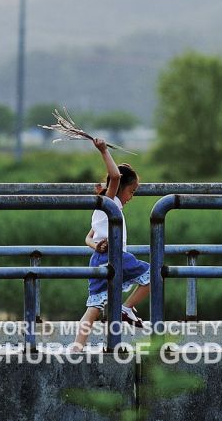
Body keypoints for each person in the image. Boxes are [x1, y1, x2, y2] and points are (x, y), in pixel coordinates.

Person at [72, 138, 149, 351]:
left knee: (94, 306)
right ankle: (126, 308)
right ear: (120, 188)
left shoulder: (103, 207)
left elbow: (88, 237)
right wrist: (104, 150)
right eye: (131, 192)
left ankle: (78, 346)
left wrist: (95, 246)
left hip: (98, 259)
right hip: (114, 257)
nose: (131, 197)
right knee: (153, 276)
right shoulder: (110, 200)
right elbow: (115, 176)